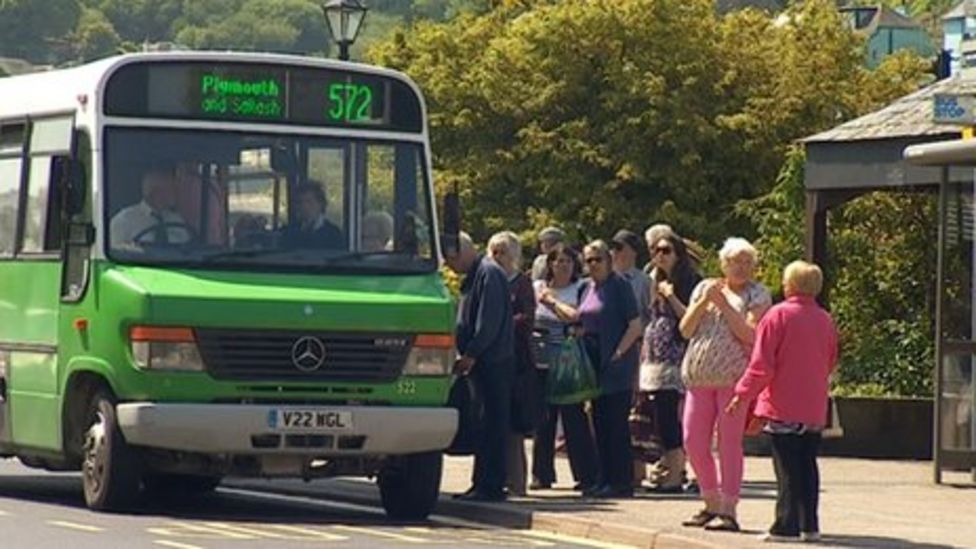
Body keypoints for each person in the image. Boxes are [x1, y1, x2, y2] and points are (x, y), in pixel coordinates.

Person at [727, 261, 838, 543]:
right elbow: (830, 359)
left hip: (783, 404)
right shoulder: (825, 319)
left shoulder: (777, 316)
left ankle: (785, 525)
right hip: (813, 405)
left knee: (786, 467)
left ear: (790, 285)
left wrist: (742, 394)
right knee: (808, 465)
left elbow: (762, 364)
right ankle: (809, 524)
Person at [679, 237, 771, 532]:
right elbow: (686, 329)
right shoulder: (706, 287)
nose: (742, 267)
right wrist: (705, 301)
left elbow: (750, 334)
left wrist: (724, 306)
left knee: (729, 443)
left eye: (747, 262)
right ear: (723, 264)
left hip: (733, 379)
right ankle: (710, 500)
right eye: (735, 261)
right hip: (699, 376)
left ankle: (729, 509)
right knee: (693, 441)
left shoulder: (758, 294)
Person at [446, 231, 515, 502]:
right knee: (483, 424)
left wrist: (472, 353)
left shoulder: (489, 274)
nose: (450, 266)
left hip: (493, 362)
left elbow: (488, 321)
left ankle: (491, 484)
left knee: (493, 424)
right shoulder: (475, 276)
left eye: (452, 259)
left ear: (463, 252)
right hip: (482, 362)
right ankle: (481, 482)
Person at [634, 233, 701, 493]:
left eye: (666, 251)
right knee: (659, 415)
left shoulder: (690, 281)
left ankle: (676, 473)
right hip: (654, 356)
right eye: (656, 251)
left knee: (671, 414)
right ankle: (668, 468)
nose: (659, 256)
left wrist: (671, 296)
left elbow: (690, 321)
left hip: (675, 355)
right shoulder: (656, 278)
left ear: (678, 253)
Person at [578, 240, 643, 498]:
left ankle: (620, 482)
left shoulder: (620, 286)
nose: (593, 265)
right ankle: (602, 478)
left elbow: (635, 325)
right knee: (599, 423)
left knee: (616, 425)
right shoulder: (586, 287)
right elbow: (582, 318)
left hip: (615, 362)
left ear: (608, 260)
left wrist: (618, 353)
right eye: (589, 260)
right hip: (592, 362)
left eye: (598, 259)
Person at [530, 246, 599, 492]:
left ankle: (586, 476)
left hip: (567, 363)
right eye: (558, 261)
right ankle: (542, 475)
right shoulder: (537, 286)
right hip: (540, 361)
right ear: (550, 264)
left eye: (568, 261)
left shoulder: (581, 288)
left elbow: (575, 316)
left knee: (574, 420)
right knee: (543, 421)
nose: (564, 265)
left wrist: (551, 301)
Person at [487, 231, 536, 497]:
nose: (497, 257)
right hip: (493, 358)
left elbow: (527, 317)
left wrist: (501, 323)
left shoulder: (521, 283)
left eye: (503, 252)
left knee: (514, 426)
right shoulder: (488, 280)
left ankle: (518, 482)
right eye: (493, 251)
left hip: (517, 361)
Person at [110, 166, 192, 249]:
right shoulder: (124, 221)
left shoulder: (177, 220)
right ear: (157, 193)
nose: (176, 194)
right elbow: (114, 250)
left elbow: (188, 250)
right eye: (172, 189)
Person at [281, 182, 345, 249]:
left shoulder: (333, 233)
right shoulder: (290, 231)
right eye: (300, 202)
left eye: (309, 202)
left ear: (321, 204)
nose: (304, 207)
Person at [610, 229, 652, 326]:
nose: (614, 251)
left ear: (634, 252)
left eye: (619, 248)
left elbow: (651, 317)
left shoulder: (644, 282)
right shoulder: (603, 279)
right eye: (613, 247)